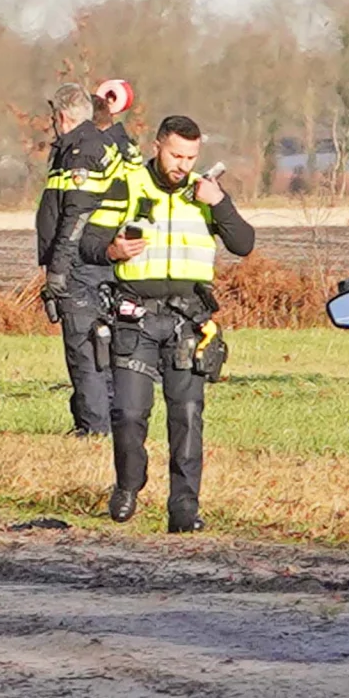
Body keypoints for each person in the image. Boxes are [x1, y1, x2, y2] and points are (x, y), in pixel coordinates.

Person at [79, 113, 253, 531]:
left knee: (188, 417)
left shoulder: (205, 193)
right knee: (128, 413)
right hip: (135, 319)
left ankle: (184, 510)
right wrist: (113, 251)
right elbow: (88, 243)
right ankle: (128, 484)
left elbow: (244, 244)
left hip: (187, 323)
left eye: (190, 157)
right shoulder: (128, 184)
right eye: (176, 155)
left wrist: (220, 203)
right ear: (157, 146)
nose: (183, 165)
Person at [36, 78, 140, 437]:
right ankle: (102, 421)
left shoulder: (82, 152)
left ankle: (94, 427)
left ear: (61, 116)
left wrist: (58, 270)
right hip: (95, 258)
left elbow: (76, 216)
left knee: (84, 347)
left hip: (82, 263)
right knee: (99, 344)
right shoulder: (95, 146)